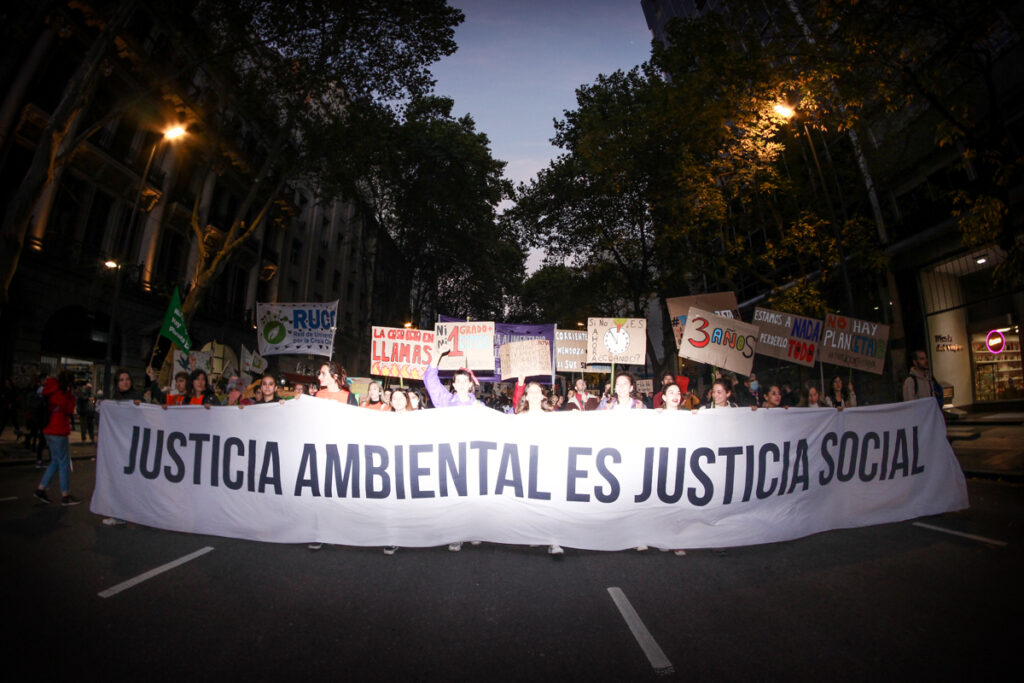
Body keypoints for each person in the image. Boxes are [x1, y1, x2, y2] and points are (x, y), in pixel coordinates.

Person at [32, 370, 81, 506]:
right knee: (64, 462)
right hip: (59, 429)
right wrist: (72, 396)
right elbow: (69, 410)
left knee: (55, 460)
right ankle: (65, 495)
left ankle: (40, 488)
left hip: (48, 429)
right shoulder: (64, 394)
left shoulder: (51, 388)